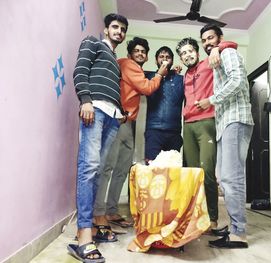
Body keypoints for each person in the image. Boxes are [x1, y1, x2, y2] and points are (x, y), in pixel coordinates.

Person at [67, 14, 129, 263]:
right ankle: (83, 237)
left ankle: (92, 225)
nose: (119, 32)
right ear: (106, 29)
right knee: (89, 168)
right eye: (115, 27)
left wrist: (121, 112)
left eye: (123, 29)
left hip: (113, 116)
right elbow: (80, 70)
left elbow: (111, 88)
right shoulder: (93, 42)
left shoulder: (114, 61)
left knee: (99, 170)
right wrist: (86, 101)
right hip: (95, 110)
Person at [93, 37, 168, 229]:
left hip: (128, 123)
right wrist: (159, 73)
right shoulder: (128, 64)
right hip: (117, 121)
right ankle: (99, 213)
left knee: (121, 170)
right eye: (137, 51)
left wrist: (169, 71)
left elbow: (142, 82)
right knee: (108, 167)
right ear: (130, 54)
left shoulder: (133, 69)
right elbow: (147, 87)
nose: (141, 54)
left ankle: (111, 211)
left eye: (143, 52)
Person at [196, 24, 254, 249]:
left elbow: (238, 81)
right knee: (224, 177)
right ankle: (234, 228)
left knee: (232, 178)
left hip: (235, 120)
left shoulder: (227, 52)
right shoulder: (217, 56)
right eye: (204, 40)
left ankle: (239, 233)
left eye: (211, 38)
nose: (207, 43)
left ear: (220, 38)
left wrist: (210, 100)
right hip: (225, 124)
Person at [176, 37, 237, 232]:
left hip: (207, 122)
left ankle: (212, 218)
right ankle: (196, 215)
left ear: (197, 51)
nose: (187, 55)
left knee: (207, 173)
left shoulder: (208, 64)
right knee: (193, 174)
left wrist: (216, 49)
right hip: (188, 125)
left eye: (190, 51)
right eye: (183, 53)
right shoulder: (184, 75)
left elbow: (231, 45)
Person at [144, 46, 184, 164]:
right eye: (161, 57)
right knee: (152, 170)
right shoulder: (148, 77)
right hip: (153, 131)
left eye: (168, 57)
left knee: (172, 172)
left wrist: (172, 72)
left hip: (174, 133)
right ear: (156, 60)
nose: (165, 60)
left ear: (172, 61)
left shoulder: (180, 79)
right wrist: (160, 74)